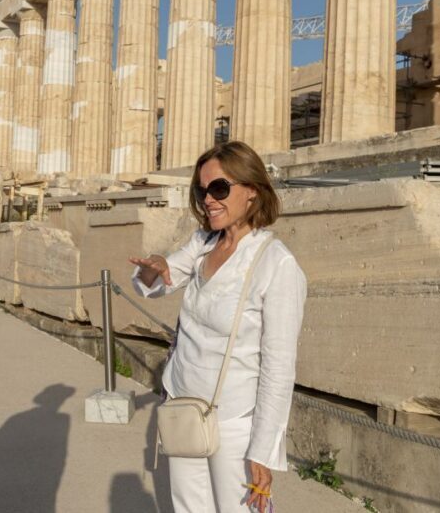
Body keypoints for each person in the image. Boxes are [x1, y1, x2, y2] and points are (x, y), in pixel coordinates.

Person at [129, 141, 307, 513]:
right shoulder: (203, 243)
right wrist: (152, 267)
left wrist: (264, 450)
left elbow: (278, 366)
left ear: (252, 191)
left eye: (219, 188)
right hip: (184, 406)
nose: (208, 199)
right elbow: (160, 280)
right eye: (202, 189)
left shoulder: (276, 264)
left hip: (234, 421)